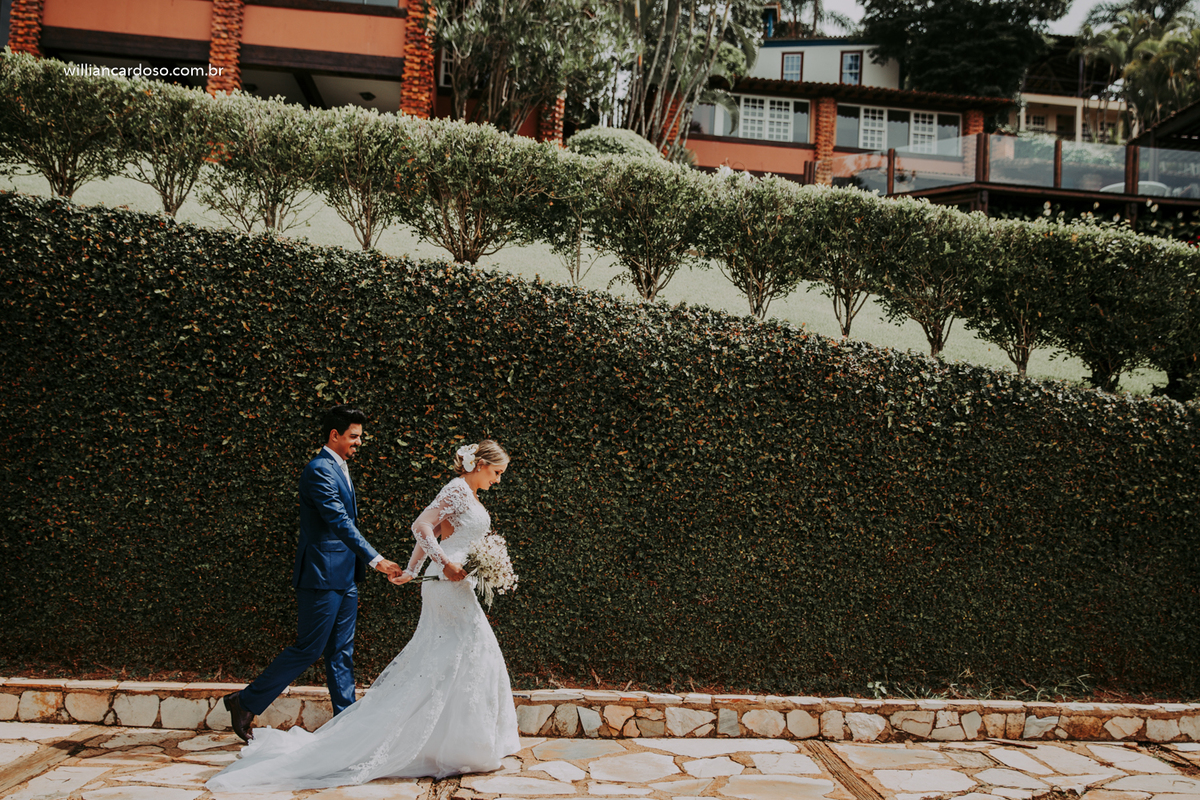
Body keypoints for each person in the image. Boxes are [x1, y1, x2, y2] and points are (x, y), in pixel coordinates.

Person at [206, 440, 520, 792]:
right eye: (496, 473)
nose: (497, 480)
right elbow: (421, 526)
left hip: (451, 581)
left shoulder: (468, 495)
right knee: (465, 651)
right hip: (447, 582)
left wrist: (415, 570)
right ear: (479, 465)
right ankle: (447, 743)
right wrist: (444, 564)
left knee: (457, 655)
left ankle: (456, 741)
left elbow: (435, 535)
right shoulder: (456, 489)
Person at [222, 405, 404, 743]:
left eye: (360, 436)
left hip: (346, 577)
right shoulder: (319, 470)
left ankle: (346, 724)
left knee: (342, 651)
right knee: (309, 648)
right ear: (334, 435)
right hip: (321, 576)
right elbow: (339, 521)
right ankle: (244, 701)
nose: (359, 442)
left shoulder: (341, 467)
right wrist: (376, 560)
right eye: (354, 436)